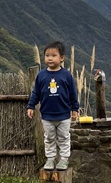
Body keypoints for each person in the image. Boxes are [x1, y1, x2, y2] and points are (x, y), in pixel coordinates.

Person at [27, 40, 79, 171]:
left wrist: (75, 109)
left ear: (62, 58)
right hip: (47, 115)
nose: (50, 58)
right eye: (47, 55)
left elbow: (73, 93)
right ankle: (50, 159)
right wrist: (31, 106)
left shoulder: (66, 75)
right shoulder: (41, 75)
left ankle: (64, 159)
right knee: (49, 138)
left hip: (64, 115)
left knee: (64, 137)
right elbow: (36, 93)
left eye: (54, 55)